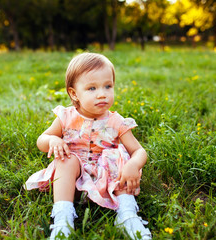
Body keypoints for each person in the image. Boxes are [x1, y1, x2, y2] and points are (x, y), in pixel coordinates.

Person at [24, 53, 152, 240]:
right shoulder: (66, 117)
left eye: (108, 86)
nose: (102, 93)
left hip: (107, 179)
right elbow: (41, 140)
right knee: (66, 160)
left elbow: (138, 151)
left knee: (119, 157)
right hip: (73, 180)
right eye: (92, 88)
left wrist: (134, 165)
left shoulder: (117, 122)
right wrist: (53, 140)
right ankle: (63, 219)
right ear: (74, 94)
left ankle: (127, 213)